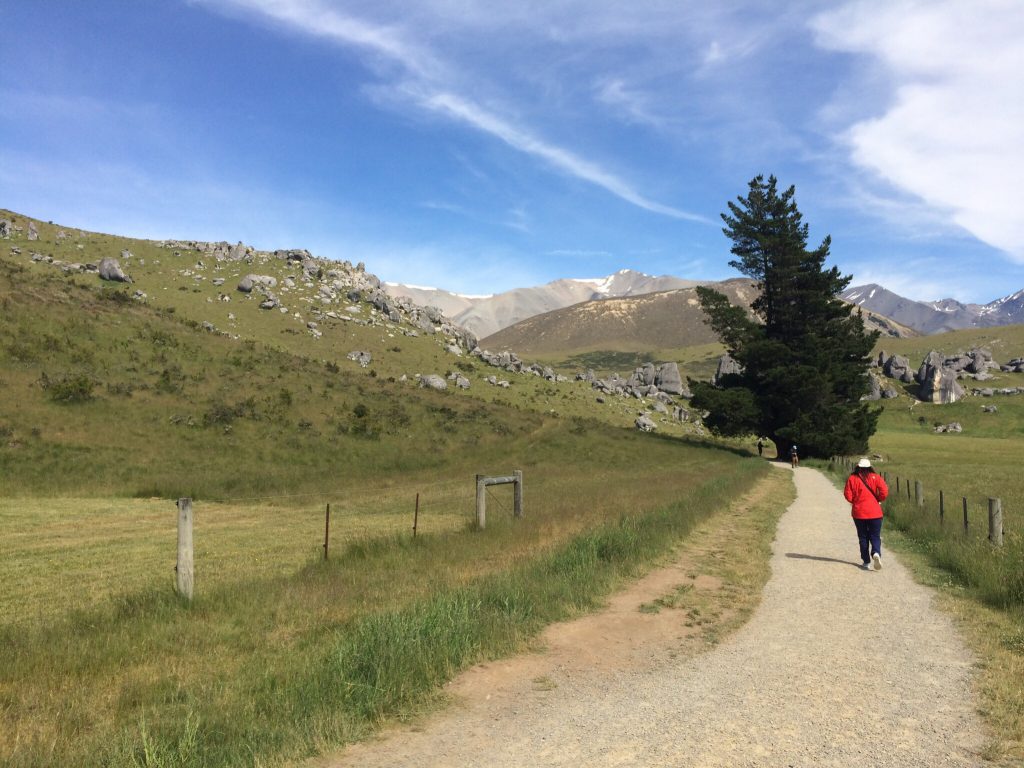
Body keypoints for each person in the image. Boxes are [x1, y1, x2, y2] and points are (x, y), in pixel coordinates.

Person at [843, 457, 890, 570]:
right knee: (875, 535)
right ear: (870, 467)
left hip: (859, 513)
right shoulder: (876, 477)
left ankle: (866, 561)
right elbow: (884, 491)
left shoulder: (852, 478)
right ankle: (876, 552)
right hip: (875, 512)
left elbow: (847, 494)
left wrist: (855, 501)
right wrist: (879, 499)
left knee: (863, 537)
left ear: (858, 467)